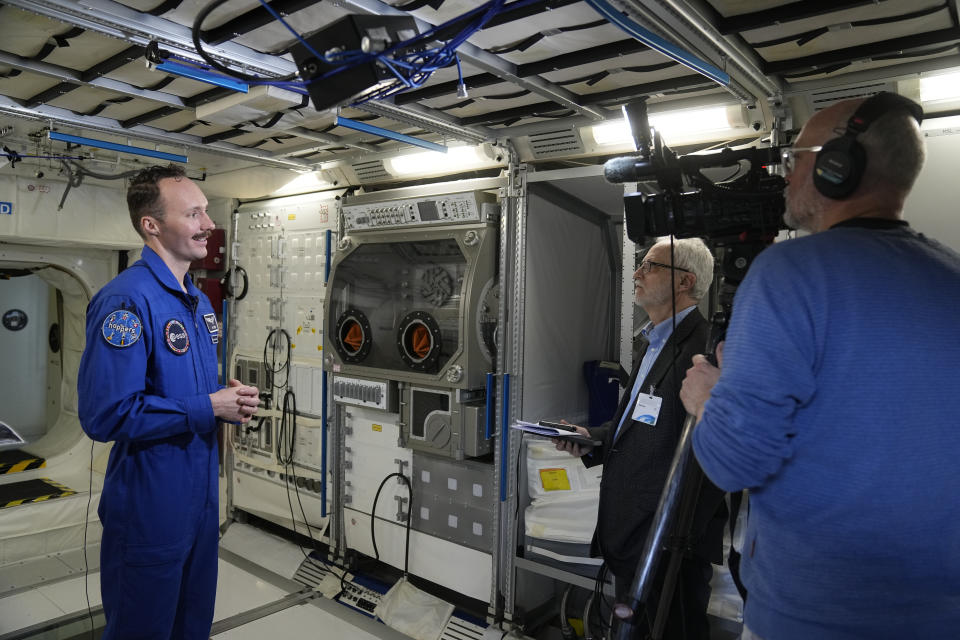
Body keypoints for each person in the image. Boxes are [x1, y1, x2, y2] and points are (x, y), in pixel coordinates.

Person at [681, 92, 960, 639]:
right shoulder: (951, 276)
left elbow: (731, 464)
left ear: (838, 167)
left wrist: (706, 399)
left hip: (811, 618)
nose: (786, 174)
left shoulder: (789, 273)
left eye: (797, 157)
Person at [78, 164, 260, 640]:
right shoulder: (125, 301)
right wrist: (208, 407)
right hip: (149, 506)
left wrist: (230, 400)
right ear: (151, 225)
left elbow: (196, 392)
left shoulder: (197, 303)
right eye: (194, 213)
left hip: (200, 502)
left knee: (191, 625)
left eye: (206, 212)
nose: (208, 225)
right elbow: (106, 414)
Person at [556, 237, 726, 639]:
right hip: (633, 536)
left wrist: (671, 539)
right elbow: (634, 423)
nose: (636, 273)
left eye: (649, 266)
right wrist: (591, 438)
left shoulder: (706, 351)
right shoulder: (652, 341)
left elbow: (713, 457)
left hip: (668, 544)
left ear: (684, 281)